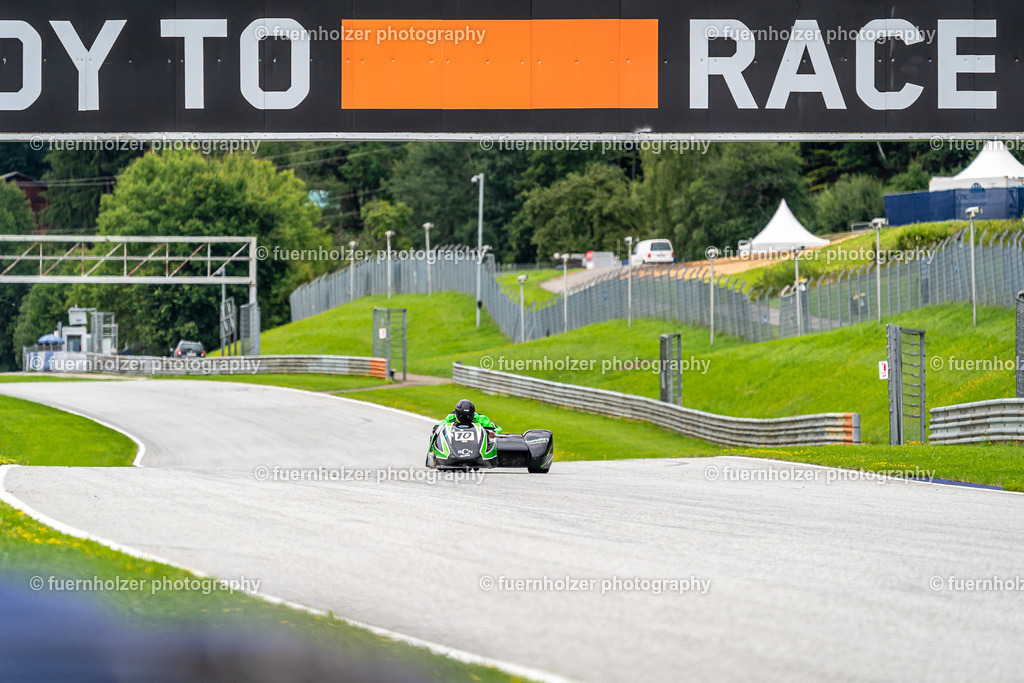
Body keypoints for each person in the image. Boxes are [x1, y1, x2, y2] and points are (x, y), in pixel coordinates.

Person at [437, 399, 502, 433]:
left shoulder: (480, 419)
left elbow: (498, 429)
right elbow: (438, 428)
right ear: (457, 413)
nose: (465, 418)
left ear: (473, 413)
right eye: (462, 415)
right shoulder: (451, 418)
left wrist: (489, 433)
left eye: (467, 416)